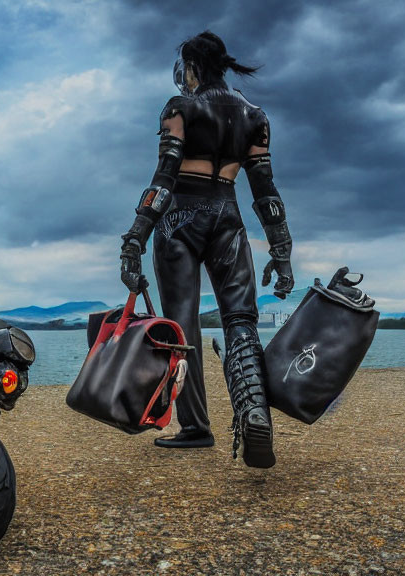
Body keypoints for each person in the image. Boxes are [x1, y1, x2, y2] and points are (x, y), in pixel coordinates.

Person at [118, 31, 294, 469]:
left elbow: (163, 179)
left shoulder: (180, 109)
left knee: (182, 325)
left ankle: (196, 427)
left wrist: (135, 237)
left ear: (192, 66)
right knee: (241, 319)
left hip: (180, 219)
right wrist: (281, 249)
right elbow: (265, 190)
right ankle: (253, 412)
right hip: (228, 215)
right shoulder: (255, 116)